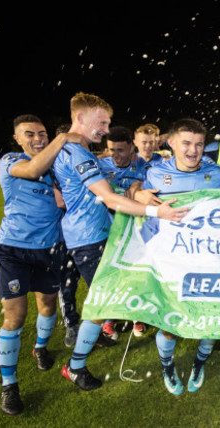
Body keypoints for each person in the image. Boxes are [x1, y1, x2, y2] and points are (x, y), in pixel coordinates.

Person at [53, 92, 190, 391]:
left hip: (94, 236)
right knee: (103, 303)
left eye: (107, 123)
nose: (104, 129)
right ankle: (75, 367)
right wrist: (158, 211)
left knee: (104, 301)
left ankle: (83, 357)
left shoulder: (81, 151)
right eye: (101, 122)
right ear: (81, 118)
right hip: (89, 239)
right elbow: (111, 198)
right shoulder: (77, 153)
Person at [134, 118, 220, 396]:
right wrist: (136, 193)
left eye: (199, 144)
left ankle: (200, 363)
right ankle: (167, 366)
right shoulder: (155, 173)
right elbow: (134, 194)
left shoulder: (215, 174)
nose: (194, 150)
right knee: (170, 322)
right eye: (187, 143)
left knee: (210, 318)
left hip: (207, 259)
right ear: (171, 143)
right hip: (171, 262)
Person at [0, 114, 83, 415]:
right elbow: (33, 169)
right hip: (13, 251)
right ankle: (10, 386)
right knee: (15, 317)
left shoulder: (57, 165)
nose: (37, 139)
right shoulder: (11, 161)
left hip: (49, 251)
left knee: (47, 305)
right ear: (17, 139)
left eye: (42, 133)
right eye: (29, 134)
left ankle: (41, 348)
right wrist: (62, 137)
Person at [98, 125, 157, 339]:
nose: (115, 156)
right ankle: (108, 320)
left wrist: (138, 187)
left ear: (132, 148)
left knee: (136, 273)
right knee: (109, 275)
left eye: (120, 150)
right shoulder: (100, 165)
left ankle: (137, 316)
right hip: (107, 228)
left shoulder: (148, 166)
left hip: (136, 228)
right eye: (111, 150)